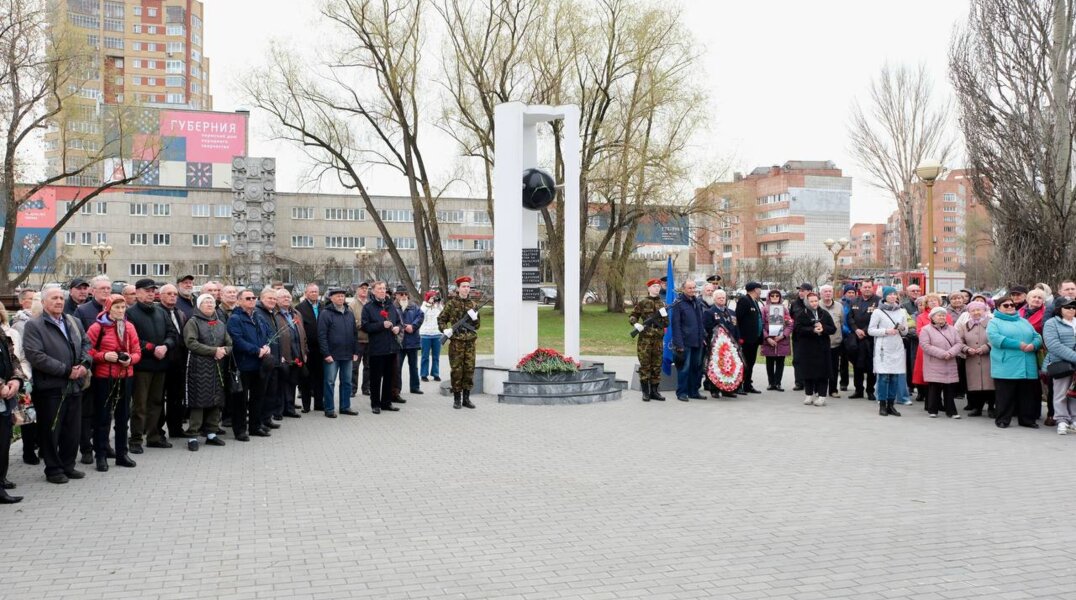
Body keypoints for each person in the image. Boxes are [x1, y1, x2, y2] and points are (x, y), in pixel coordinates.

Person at [22, 287, 92, 484]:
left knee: (73, 430)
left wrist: (84, 365)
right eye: (54, 298)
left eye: (62, 298)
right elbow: (36, 356)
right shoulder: (34, 326)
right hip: (51, 387)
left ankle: (68, 465)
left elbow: (87, 345)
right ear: (44, 302)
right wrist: (65, 370)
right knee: (52, 430)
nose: (59, 301)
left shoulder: (73, 321)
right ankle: (53, 469)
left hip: (75, 385)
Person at [85, 294, 140, 471]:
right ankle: (101, 455)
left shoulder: (129, 327)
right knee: (103, 417)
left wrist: (130, 359)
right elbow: (87, 351)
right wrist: (104, 356)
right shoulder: (97, 327)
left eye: (123, 308)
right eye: (117, 307)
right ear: (108, 308)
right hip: (104, 377)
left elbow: (137, 351)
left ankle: (122, 454)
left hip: (125, 375)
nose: (120, 311)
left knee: (123, 417)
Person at [125, 279, 177, 453]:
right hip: (142, 366)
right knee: (139, 405)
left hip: (160, 365)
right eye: (147, 290)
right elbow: (130, 340)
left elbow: (172, 333)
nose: (150, 293)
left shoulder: (160, 312)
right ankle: (136, 439)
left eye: (152, 290)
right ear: (137, 292)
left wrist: (166, 346)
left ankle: (153, 437)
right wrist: (153, 348)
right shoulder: (130, 313)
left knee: (156, 402)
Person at [182, 294, 232, 450]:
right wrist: (214, 351)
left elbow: (229, 343)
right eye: (206, 302)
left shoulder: (220, 323)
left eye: (211, 301)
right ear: (199, 306)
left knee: (216, 399)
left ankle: (211, 433)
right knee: (199, 401)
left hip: (218, 366)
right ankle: (193, 436)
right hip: (198, 367)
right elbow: (191, 343)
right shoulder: (193, 322)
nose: (210, 304)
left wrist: (224, 350)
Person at [988, 295, 1043, 429]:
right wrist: (1018, 344)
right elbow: (995, 338)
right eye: (1005, 305)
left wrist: (1034, 345)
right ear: (998, 308)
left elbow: (1037, 336)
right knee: (1005, 395)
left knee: (1026, 394)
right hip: (1006, 363)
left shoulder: (1023, 321)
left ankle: (1027, 420)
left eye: (1011, 305)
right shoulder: (994, 322)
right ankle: (1002, 419)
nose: (1010, 307)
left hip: (1026, 363)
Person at [73, 275, 111, 464]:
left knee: (105, 410)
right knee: (87, 412)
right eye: (102, 288)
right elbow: (80, 340)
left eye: (108, 288)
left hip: (110, 369)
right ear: (92, 291)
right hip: (90, 368)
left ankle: (103, 445)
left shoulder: (115, 308)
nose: (106, 291)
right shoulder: (83, 311)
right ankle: (86, 448)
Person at [227, 289, 274, 440]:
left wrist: (267, 346)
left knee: (258, 397)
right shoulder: (235, 318)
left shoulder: (258, 316)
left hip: (260, 364)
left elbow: (268, 334)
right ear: (239, 301)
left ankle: (255, 426)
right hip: (244, 364)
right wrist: (256, 350)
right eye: (248, 298)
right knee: (241, 400)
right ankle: (240, 430)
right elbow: (237, 340)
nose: (252, 300)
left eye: (254, 297)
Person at [438, 276, 481, 409]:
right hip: (456, 342)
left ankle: (466, 399)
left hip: (470, 342)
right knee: (457, 370)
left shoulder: (473, 305)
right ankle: (457, 399)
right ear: (458, 288)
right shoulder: (451, 304)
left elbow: (477, 326)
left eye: (468, 286)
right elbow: (441, 319)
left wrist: (474, 319)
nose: (466, 288)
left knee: (469, 370)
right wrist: (446, 330)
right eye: (463, 286)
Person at [317, 288, 360, 418]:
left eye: (342, 296)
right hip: (332, 355)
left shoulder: (349, 313)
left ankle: (345, 406)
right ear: (331, 298)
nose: (341, 298)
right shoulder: (326, 313)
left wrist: (355, 351)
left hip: (347, 354)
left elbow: (354, 334)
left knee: (347, 381)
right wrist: (326, 353)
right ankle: (329, 408)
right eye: (338, 296)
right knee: (329, 382)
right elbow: (322, 335)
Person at [0, 309, 29, 502]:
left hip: (6, 399)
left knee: (3, 443)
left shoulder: (3, 334)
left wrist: (16, 380)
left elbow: (14, 360)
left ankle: (1, 484)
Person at [361, 281, 403, 414]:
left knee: (390, 377)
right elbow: (365, 326)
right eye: (379, 289)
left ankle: (386, 402)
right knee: (375, 378)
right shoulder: (368, 307)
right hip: (377, 349)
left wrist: (398, 328)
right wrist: (381, 325)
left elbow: (398, 322)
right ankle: (375, 404)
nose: (382, 291)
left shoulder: (391, 306)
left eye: (384, 288)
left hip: (391, 347)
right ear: (373, 291)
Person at [869, 288, 909, 417]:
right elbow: (871, 330)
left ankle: (891, 404)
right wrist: (886, 331)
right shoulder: (878, 312)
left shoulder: (902, 311)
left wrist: (902, 329)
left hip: (896, 346)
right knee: (884, 377)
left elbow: (905, 331)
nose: (892, 297)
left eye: (894, 294)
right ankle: (882, 404)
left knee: (895, 376)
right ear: (884, 296)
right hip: (883, 347)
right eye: (889, 294)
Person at [159, 284, 191, 442]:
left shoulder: (180, 313)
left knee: (176, 397)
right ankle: (158, 431)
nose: (173, 296)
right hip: (162, 361)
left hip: (179, 362)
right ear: (161, 296)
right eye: (169, 294)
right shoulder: (158, 312)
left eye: (175, 294)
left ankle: (176, 428)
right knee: (158, 398)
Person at [793, 291, 837, 406]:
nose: (814, 303)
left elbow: (833, 329)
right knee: (808, 372)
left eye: (816, 301)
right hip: (807, 348)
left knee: (823, 373)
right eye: (811, 301)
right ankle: (808, 395)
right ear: (807, 302)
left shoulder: (824, 314)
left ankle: (822, 396)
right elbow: (798, 329)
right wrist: (812, 330)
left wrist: (823, 328)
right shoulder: (802, 314)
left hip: (822, 348)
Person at [630, 278, 668, 401]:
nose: (657, 288)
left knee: (657, 365)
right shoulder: (642, 302)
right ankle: (645, 392)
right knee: (645, 365)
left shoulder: (663, 304)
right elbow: (632, 316)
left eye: (658, 286)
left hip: (658, 338)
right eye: (654, 286)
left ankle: (655, 392)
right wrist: (636, 325)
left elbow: (666, 323)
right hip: (645, 339)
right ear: (649, 288)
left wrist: (664, 314)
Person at [920, 306, 962, 419]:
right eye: (939, 315)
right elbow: (925, 345)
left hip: (950, 361)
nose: (942, 317)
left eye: (943, 315)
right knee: (935, 387)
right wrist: (943, 354)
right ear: (932, 317)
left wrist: (951, 353)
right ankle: (933, 410)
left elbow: (959, 343)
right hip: (934, 362)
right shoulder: (926, 329)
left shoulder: (952, 329)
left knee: (949, 387)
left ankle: (951, 411)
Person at [1043, 297, 1076, 434]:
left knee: (1074, 394)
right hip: (1060, 364)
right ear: (1059, 309)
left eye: (1074, 307)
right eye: (1068, 307)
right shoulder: (1052, 323)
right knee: (1061, 393)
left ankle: (1074, 419)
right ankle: (1062, 420)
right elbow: (1053, 345)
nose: (1071, 310)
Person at [959, 300, 995, 418]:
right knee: (975, 385)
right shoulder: (965, 326)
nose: (976, 312)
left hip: (989, 359)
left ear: (984, 311)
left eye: (978, 309)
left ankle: (991, 407)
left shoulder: (992, 323)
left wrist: (985, 347)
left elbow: (996, 338)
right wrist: (966, 349)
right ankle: (977, 407)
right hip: (972, 359)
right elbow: (959, 341)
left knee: (990, 384)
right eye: (973, 310)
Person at [670, 280, 705, 401]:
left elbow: (700, 323)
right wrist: (679, 344)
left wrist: (702, 338)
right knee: (684, 369)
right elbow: (676, 325)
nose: (692, 290)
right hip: (685, 343)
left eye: (694, 288)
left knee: (696, 368)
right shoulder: (678, 304)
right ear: (684, 289)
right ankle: (682, 393)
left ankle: (693, 392)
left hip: (698, 341)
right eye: (689, 288)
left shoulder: (697, 302)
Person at [254, 288, 284, 431]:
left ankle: (267, 418)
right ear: (261, 298)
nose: (272, 301)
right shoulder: (258, 313)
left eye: (274, 299)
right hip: (264, 361)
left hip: (275, 360)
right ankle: (258, 421)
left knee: (272, 392)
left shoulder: (271, 313)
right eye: (269, 298)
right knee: (262, 393)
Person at [274, 288, 306, 419]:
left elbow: (303, 334)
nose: (286, 298)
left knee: (293, 382)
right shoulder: (275, 315)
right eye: (283, 297)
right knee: (281, 383)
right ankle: (279, 410)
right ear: (276, 300)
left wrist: (305, 351)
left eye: (288, 296)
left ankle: (290, 408)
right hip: (283, 354)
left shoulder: (296, 313)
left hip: (297, 353)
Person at [846, 280, 880, 400]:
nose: (867, 289)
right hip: (857, 338)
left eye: (869, 287)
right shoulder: (854, 301)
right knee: (857, 365)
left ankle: (870, 390)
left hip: (871, 338)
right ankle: (858, 390)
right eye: (865, 287)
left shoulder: (878, 301)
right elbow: (849, 318)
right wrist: (856, 330)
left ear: (873, 288)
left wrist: (864, 331)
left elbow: (876, 320)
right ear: (860, 289)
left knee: (871, 366)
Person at [704, 288, 739, 399]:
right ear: (714, 299)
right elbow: (707, 328)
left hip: (730, 345)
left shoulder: (731, 312)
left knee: (728, 366)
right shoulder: (709, 312)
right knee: (716, 366)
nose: (721, 299)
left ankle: (727, 389)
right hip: (716, 345)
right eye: (719, 298)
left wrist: (738, 341)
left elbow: (735, 328)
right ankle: (714, 389)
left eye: (723, 297)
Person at [295, 284, 324, 413]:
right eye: (311, 291)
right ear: (306, 293)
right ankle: (306, 405)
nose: (314, 294)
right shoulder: (299, 308)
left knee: (320, 376)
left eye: (316, 291)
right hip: (307, 349)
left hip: (321, 348)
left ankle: (319, 403)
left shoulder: (324, 307)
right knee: (306, 377)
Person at [734, 282, 764, 394]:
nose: (760, 291)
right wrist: (739, 336)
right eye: (759, 289)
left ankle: (747, 384)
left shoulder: (755, 301)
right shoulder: (744, 300)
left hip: (754, 339)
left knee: (751, 362)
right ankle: (739, 385)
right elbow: (738, 319)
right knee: (744, 362)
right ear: (755, 289)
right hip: (746, 339)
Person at [395, 287, 424, 397]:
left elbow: (420, 317)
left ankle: (415, 387)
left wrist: (413, 326)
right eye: (400, 294)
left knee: (414, 366)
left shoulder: (414, 306)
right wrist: (403, 327)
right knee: (397, 367)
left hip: (412, 341)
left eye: (405, 294)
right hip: (399, 342)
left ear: (408, 295)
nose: (403, 296)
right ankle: (397, 389)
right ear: (396, 295)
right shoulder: (393, 307)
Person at [761, 289, 792, 392]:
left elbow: (790, 324)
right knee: (769, 362)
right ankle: (771, 383)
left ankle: (778, 383)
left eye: (777, 296)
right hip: (769, 340)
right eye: (772, 295)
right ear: (769, 297)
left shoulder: (784, 309)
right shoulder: (764, 309)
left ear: (780, 297)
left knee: (780, 362)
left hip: (781, 341)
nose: (774, 297)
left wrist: (783, 335)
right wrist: (767, 337)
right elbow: (761, 325)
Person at [819, 285, 845, 398]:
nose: (828, 293)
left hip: (835, 343)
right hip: (819, 344)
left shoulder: (839, 306)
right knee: (820, 367)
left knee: (834, 368)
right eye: (825, 291)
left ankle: (833, 390)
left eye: (830, 291)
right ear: (821, 294)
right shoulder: (817, 305)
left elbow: (842, 323)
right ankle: (818, 389)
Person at [789, 283, 812, 391]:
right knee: (797, 360)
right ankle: (799, 382)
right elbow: (790, 317)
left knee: (809, 360)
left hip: (811, 336)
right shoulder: (794, 304)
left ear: (809, 291)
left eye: (803, 290)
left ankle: (809, 382)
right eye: (800, 290)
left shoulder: (814, 302)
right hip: (798, 336)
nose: (801, 293)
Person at [351, 282, 371, 397]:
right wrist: (363, 324)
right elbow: (351, 323)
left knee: (368, 366)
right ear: (357, 290)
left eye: (366, 288)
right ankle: (352, 389)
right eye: (362, 288)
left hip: (370, 340)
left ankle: (366, 388)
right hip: (358, 341)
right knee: (354, 366)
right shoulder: (352, 305)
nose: (364, 290)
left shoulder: (370, 304)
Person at [419, 290, 444, 383]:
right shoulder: (424, 306)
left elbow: (444, 313)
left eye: (434, 297)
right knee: (425, 356)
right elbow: (421, 314)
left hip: (437, 334)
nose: (434, 299)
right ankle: (424, 374)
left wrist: (439, 304)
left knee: (436, 356)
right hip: (425, 334)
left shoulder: (438, 306)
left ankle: (435, 374)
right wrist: (429, 304)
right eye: (432, 297)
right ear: (428, 298)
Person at [838, 284, 859, 391]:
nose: (851, 294)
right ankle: (843, 382)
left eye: (853, 292)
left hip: (855, 335)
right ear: (845, 293)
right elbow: (841, 319)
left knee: (856, 361)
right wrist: (846, 330)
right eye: (849, 292)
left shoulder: (858, 303)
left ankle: (857, 385)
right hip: (843, 334)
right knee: (844, 361)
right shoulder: (841, 304)